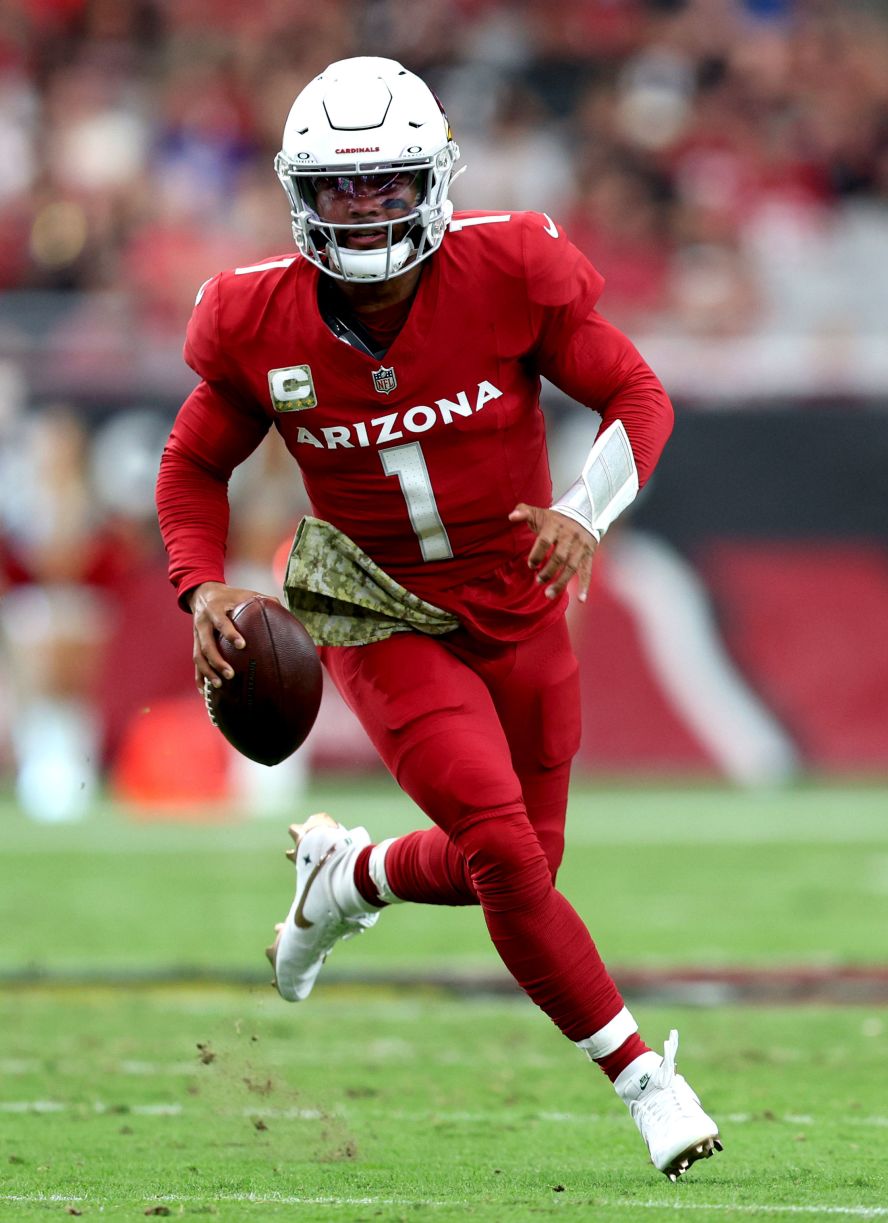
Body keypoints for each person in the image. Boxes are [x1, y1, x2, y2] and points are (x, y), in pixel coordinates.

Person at [155, 56, 721, 1181]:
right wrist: (200, 581)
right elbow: (191, 462)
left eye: (386, 183)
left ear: (436, 179)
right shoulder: (253, 315)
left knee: (518, 867)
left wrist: (584, 511)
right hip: (374, 607)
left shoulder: (511, 266)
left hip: (517, 601)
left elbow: (638, 393)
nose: (364, 210)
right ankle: (645, 1081)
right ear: (297, 194)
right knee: (508, 855)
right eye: (339, 188)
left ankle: (345, 880)